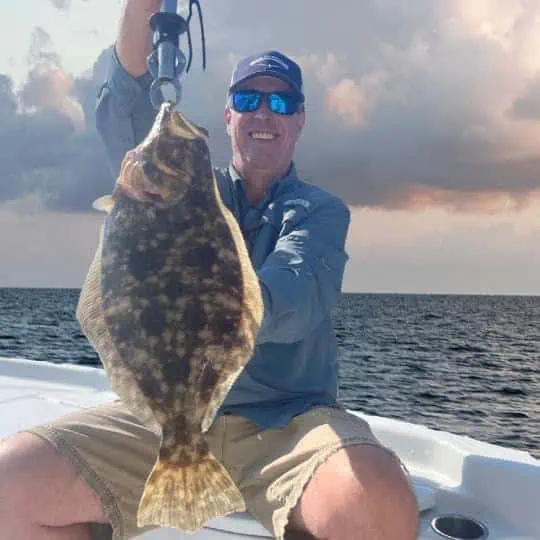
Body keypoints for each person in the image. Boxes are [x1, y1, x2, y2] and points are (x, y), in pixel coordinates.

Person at [0, 2, 418, 539]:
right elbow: (124, 94)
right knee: (9, 484)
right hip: (162, 419)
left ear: (299, 119)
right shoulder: (168, 192)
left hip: (284, 423)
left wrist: (210, 298)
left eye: (281, 101)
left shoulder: (319, 211)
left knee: (377, 504)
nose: (264, 112)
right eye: (248, 99)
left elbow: (295, 299)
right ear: (229, 117)